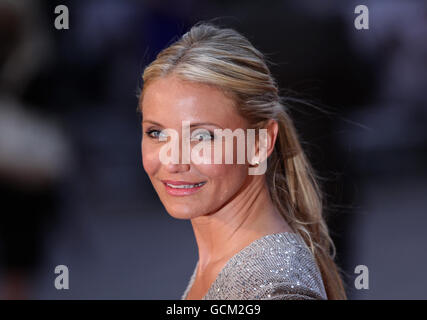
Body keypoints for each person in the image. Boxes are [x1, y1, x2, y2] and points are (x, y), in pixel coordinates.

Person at [138, 22, 347, 300]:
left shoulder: (275, 290)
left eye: (203, 136)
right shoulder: (224, 261)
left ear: (260, 143)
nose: (173, 161)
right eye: (157, 132)